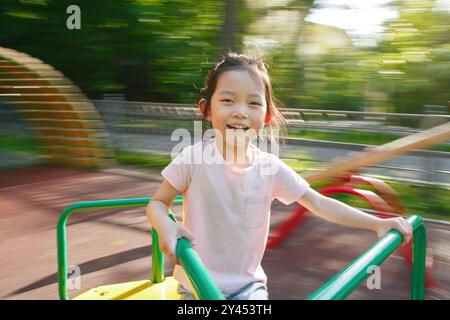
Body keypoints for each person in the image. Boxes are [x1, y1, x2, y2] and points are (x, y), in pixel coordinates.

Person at [146, 52, 413, 300]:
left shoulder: (270, 168)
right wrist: (165, 225)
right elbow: (157, 204)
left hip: (248, 288)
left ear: (266, 115)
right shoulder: (192, 159)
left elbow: (319, 203)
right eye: (228, 100)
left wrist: (377, 223)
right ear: (206, 109)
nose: (240, 111)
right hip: (196, 285)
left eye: (253, 103)